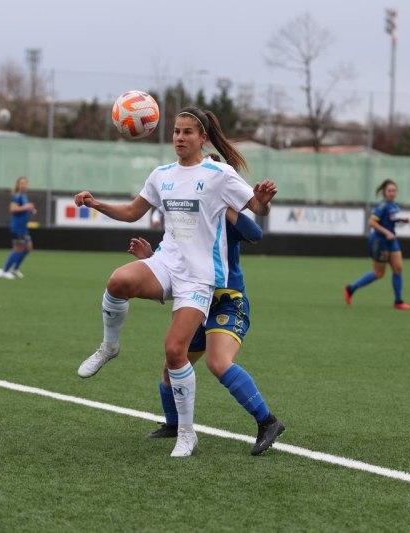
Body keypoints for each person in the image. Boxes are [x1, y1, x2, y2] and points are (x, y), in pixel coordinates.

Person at [74, 106, 276, 457]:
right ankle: (109, 347)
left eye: (187, 132)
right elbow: (133, 212)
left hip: (201, 280)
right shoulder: (161, 174)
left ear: (203, 138)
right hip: (166, 262)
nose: (180, 138)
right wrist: (95, 204)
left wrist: (261, 200)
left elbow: (257, 211)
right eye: (176, 131)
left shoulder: (218, 174)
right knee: (118, 280)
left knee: (175, 353)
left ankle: (187, 433)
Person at [129, 206, 285, 456]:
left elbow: (256, 233)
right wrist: (152, 259)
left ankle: (268, 421)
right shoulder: (186, 221)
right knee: (172, 365)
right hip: (197, 304)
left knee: (217, 362)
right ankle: (174, 424)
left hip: (228, 303)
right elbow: (176, 268)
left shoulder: (222, 215)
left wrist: (226, 203)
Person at [344, 179, 410, 310]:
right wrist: (387, 233)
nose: (392, 193)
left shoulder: (395, 205)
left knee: (398, 268)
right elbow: (371, 222)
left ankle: (398, 301)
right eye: (389, 191)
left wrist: (402, 220)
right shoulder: (382, 206)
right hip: (379, 241)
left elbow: (391, 219)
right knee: (379, 273)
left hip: (391, 240)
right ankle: (350, 289)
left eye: (394, 191)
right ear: (384, 193)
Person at [1, 176, 36, 279]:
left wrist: (30, 210)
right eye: (21, 183)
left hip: (23, 228)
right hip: (18, 228)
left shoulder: (24, 196)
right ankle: (5, 271)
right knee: (18, 249)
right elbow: (12, 208)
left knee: (28, 247)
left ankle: (15, 269)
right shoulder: (17, 196)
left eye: (25, 183)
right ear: (18, 185)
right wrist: (26, 207)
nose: (24, 185)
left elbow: (23, 209)